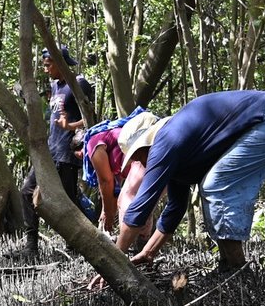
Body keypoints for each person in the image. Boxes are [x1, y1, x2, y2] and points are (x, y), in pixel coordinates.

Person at [116, 90, 265, 271]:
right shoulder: (177, 146)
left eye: (139, 156)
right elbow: (176, 209)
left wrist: (113, 262)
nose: (141, 163)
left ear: (147, 143)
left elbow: (140, 208)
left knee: (216, 185)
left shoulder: (165, 140)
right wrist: (148, 252)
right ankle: (227, 265)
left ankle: (237, 268)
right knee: (213, 184)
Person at [22, 46, 94, 256]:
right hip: (49, 151)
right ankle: (31, 247)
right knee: (27, 191)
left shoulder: (79, 83)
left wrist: (70, 126)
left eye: (48, 65)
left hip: (67, 153)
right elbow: (51, 117)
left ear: (60, 63)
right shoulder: (54, 86)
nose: (45, 69)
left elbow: (91, 118)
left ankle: (77, 245)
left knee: (68, 202)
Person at [85, 109, 161, 234]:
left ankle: (126, 244)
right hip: (148, 157)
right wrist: (106, 210)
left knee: (127, 198)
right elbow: (115, 187)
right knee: (137, 203)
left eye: (79, 156)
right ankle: (138, 241)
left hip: (143, 152)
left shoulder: (92, 144)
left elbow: (106, 181)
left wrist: (108, 213)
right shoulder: (111, 141)